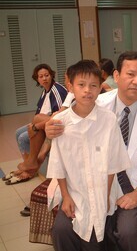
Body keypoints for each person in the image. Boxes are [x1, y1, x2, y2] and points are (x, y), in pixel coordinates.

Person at [46, 51, 137, 251]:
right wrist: (51, 127)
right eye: (130, 74)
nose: (136, 81)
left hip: (131, 186)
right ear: (116, 76)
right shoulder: (97, 101)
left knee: (129, 232)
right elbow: (69, 118)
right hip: (91, 183)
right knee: (62, 230)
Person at [46, 59, 130, 251]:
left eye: (93, 86)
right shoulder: (60, 122)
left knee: (95, 233)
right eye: (81, 85)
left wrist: (106, 195)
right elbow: (58, 165)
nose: (87, 91)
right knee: (62, 231)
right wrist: (66, 196)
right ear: (70, 87)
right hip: (73, 190)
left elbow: (113, 164)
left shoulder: (108, 119)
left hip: (103, 188)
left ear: (100, 87)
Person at [2, 63, 67, 185]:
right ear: (37, 79)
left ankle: (29, 169)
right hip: (44, 122)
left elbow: (58, 117)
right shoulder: (45, 92)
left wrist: (36, 125)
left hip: (52, 125)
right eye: (41, 76)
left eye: (46, 75)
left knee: (24, 136)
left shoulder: (57, 90)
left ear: (51, 75)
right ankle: (29, 164)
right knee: (18, 132)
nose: (44, 78)